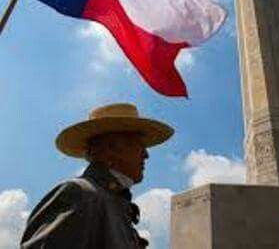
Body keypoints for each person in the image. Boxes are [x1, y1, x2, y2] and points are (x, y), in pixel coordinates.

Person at [20, 103, 174, 248]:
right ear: (111, 149)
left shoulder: (115, 205)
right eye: (139, 145)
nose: (146, 155)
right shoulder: (79, 193)